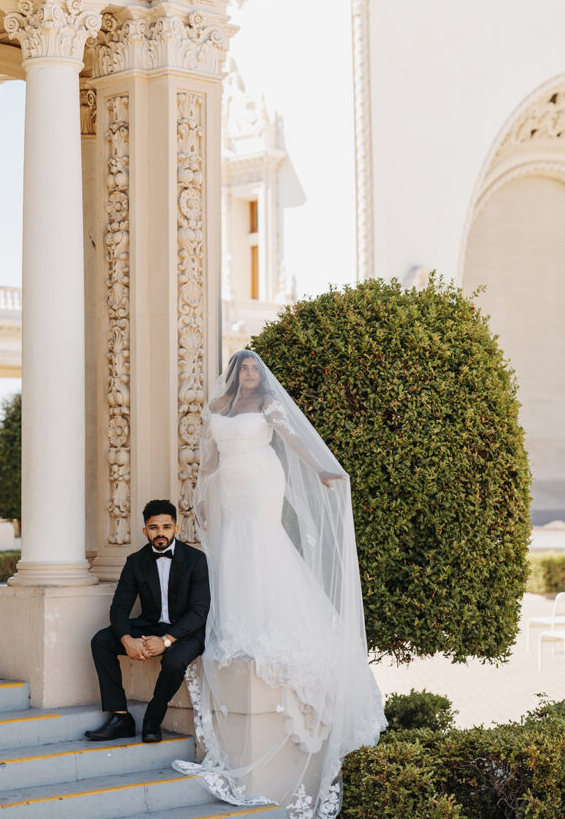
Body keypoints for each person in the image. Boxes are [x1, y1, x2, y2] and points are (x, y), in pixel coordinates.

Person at [173, 350, 387, 818]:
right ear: (232, 374)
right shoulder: (216, 409)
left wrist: (324, 470)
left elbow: (294, 442)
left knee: (261, 543)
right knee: (231, 550)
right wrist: (200, 499)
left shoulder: (268, 406)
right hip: (228, 484)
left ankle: (269, 626)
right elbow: (209, 458)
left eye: (254, 369)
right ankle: (240, 623)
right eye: (243, 369)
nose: (249, 375)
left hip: (261, 481)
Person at [86, 498, 210, 743]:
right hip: (150, 625)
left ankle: (153, 719)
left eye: (166, 527)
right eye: (154, 527)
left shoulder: (196, 560)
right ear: (145, 531)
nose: (160, 532)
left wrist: (165, 641)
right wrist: (127, 639)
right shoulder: (135, 562)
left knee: (174, 661)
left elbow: (199, 612)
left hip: (186, 631)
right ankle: (121, 716)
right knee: (101, 640)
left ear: (176, 528)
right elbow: (119, 608)